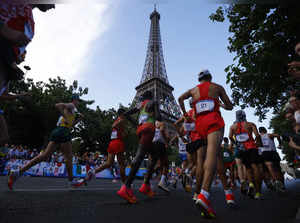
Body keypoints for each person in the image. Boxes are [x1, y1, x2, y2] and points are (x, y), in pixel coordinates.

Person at [178, 69, 233, 218]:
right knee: (213, 154)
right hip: (214, 121)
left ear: (199, 79)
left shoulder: (193, 90)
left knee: (205, 158)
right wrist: (220, 104)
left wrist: (184, 114)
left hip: (200, 125)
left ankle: (200, 190)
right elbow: (230, 106)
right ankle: (204, 194)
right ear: (210, 77)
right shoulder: (217, 87)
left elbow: (180, 98)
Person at [8, 94, 83, 189]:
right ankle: (71, 181)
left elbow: (70, 124)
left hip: (58, 130)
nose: (79, 102)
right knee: (68, 158)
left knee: (44, 156)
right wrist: (65, 116)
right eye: (78, 100)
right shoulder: (71, 105)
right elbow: (58, 105)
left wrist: (79, 120)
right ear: (74, 100)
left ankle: (17, 172)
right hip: (63, 131)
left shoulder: (74, 111)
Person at [117, 91, 160, 203]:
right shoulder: (154, 102)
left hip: (140, 129)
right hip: (149, 129)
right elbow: (159, 117)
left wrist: (136, 124)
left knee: (154, 155)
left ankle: (145, 185)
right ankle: (126, 187)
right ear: (151, 96)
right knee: (140, 156)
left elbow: (126, 114)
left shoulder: (140, 104)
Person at [83, 108, 127, 185]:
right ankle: (125, 184)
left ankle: (93, 171)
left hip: (112, 143)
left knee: (109, 163)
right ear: (123, 113)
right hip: (118, 143)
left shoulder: (117, 119)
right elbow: (114, 126)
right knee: (122, 164)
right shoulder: (121, 120)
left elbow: (115, 127)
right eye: (125, 113)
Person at [229, 110, 263, 200]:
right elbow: (257, 135)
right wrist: (257, 142)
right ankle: (258, 192)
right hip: (251, 147)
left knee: (247, 168)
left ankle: (250, 183)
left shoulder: (233, 127)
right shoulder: (251, 124)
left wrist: (236, 143)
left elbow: (229, 137)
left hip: (242, 149)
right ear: (245, 115)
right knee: (255, 167)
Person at [258, 127, 285, 192]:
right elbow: (278, 135)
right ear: (265, 130)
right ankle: (282, 184)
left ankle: (275, 181)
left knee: (269, 167)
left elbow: (258, 147)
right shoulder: (269, 135)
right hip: (273, 152)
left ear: (259, 132)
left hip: (264, 153)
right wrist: (280, 143)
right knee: (278, 168)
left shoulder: (258, 138)